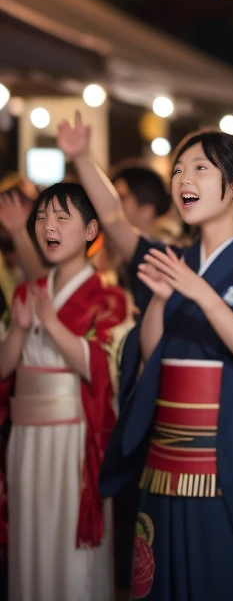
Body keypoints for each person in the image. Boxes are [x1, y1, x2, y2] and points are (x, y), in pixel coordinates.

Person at [57, 117, 233, 601]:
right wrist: (81, 157)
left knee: (223, 579)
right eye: (178, 170)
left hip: (228, 461)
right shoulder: (176, 260)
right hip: (166, 459)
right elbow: (152, 353)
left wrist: (206, 298)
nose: (183, 180)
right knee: (165, 578)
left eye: (200, 168)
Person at [0, 182, 126, 601]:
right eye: (42, 217)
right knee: (30, 538)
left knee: (70, 547)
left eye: (61, 217)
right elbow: (5, 368)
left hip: (74, 438)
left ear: (91, 230)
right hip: (27, 436)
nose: (48, 226)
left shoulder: (108, 298)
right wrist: (19, 328)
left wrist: (51, 324)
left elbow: (103, 369)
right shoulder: (28, 292)